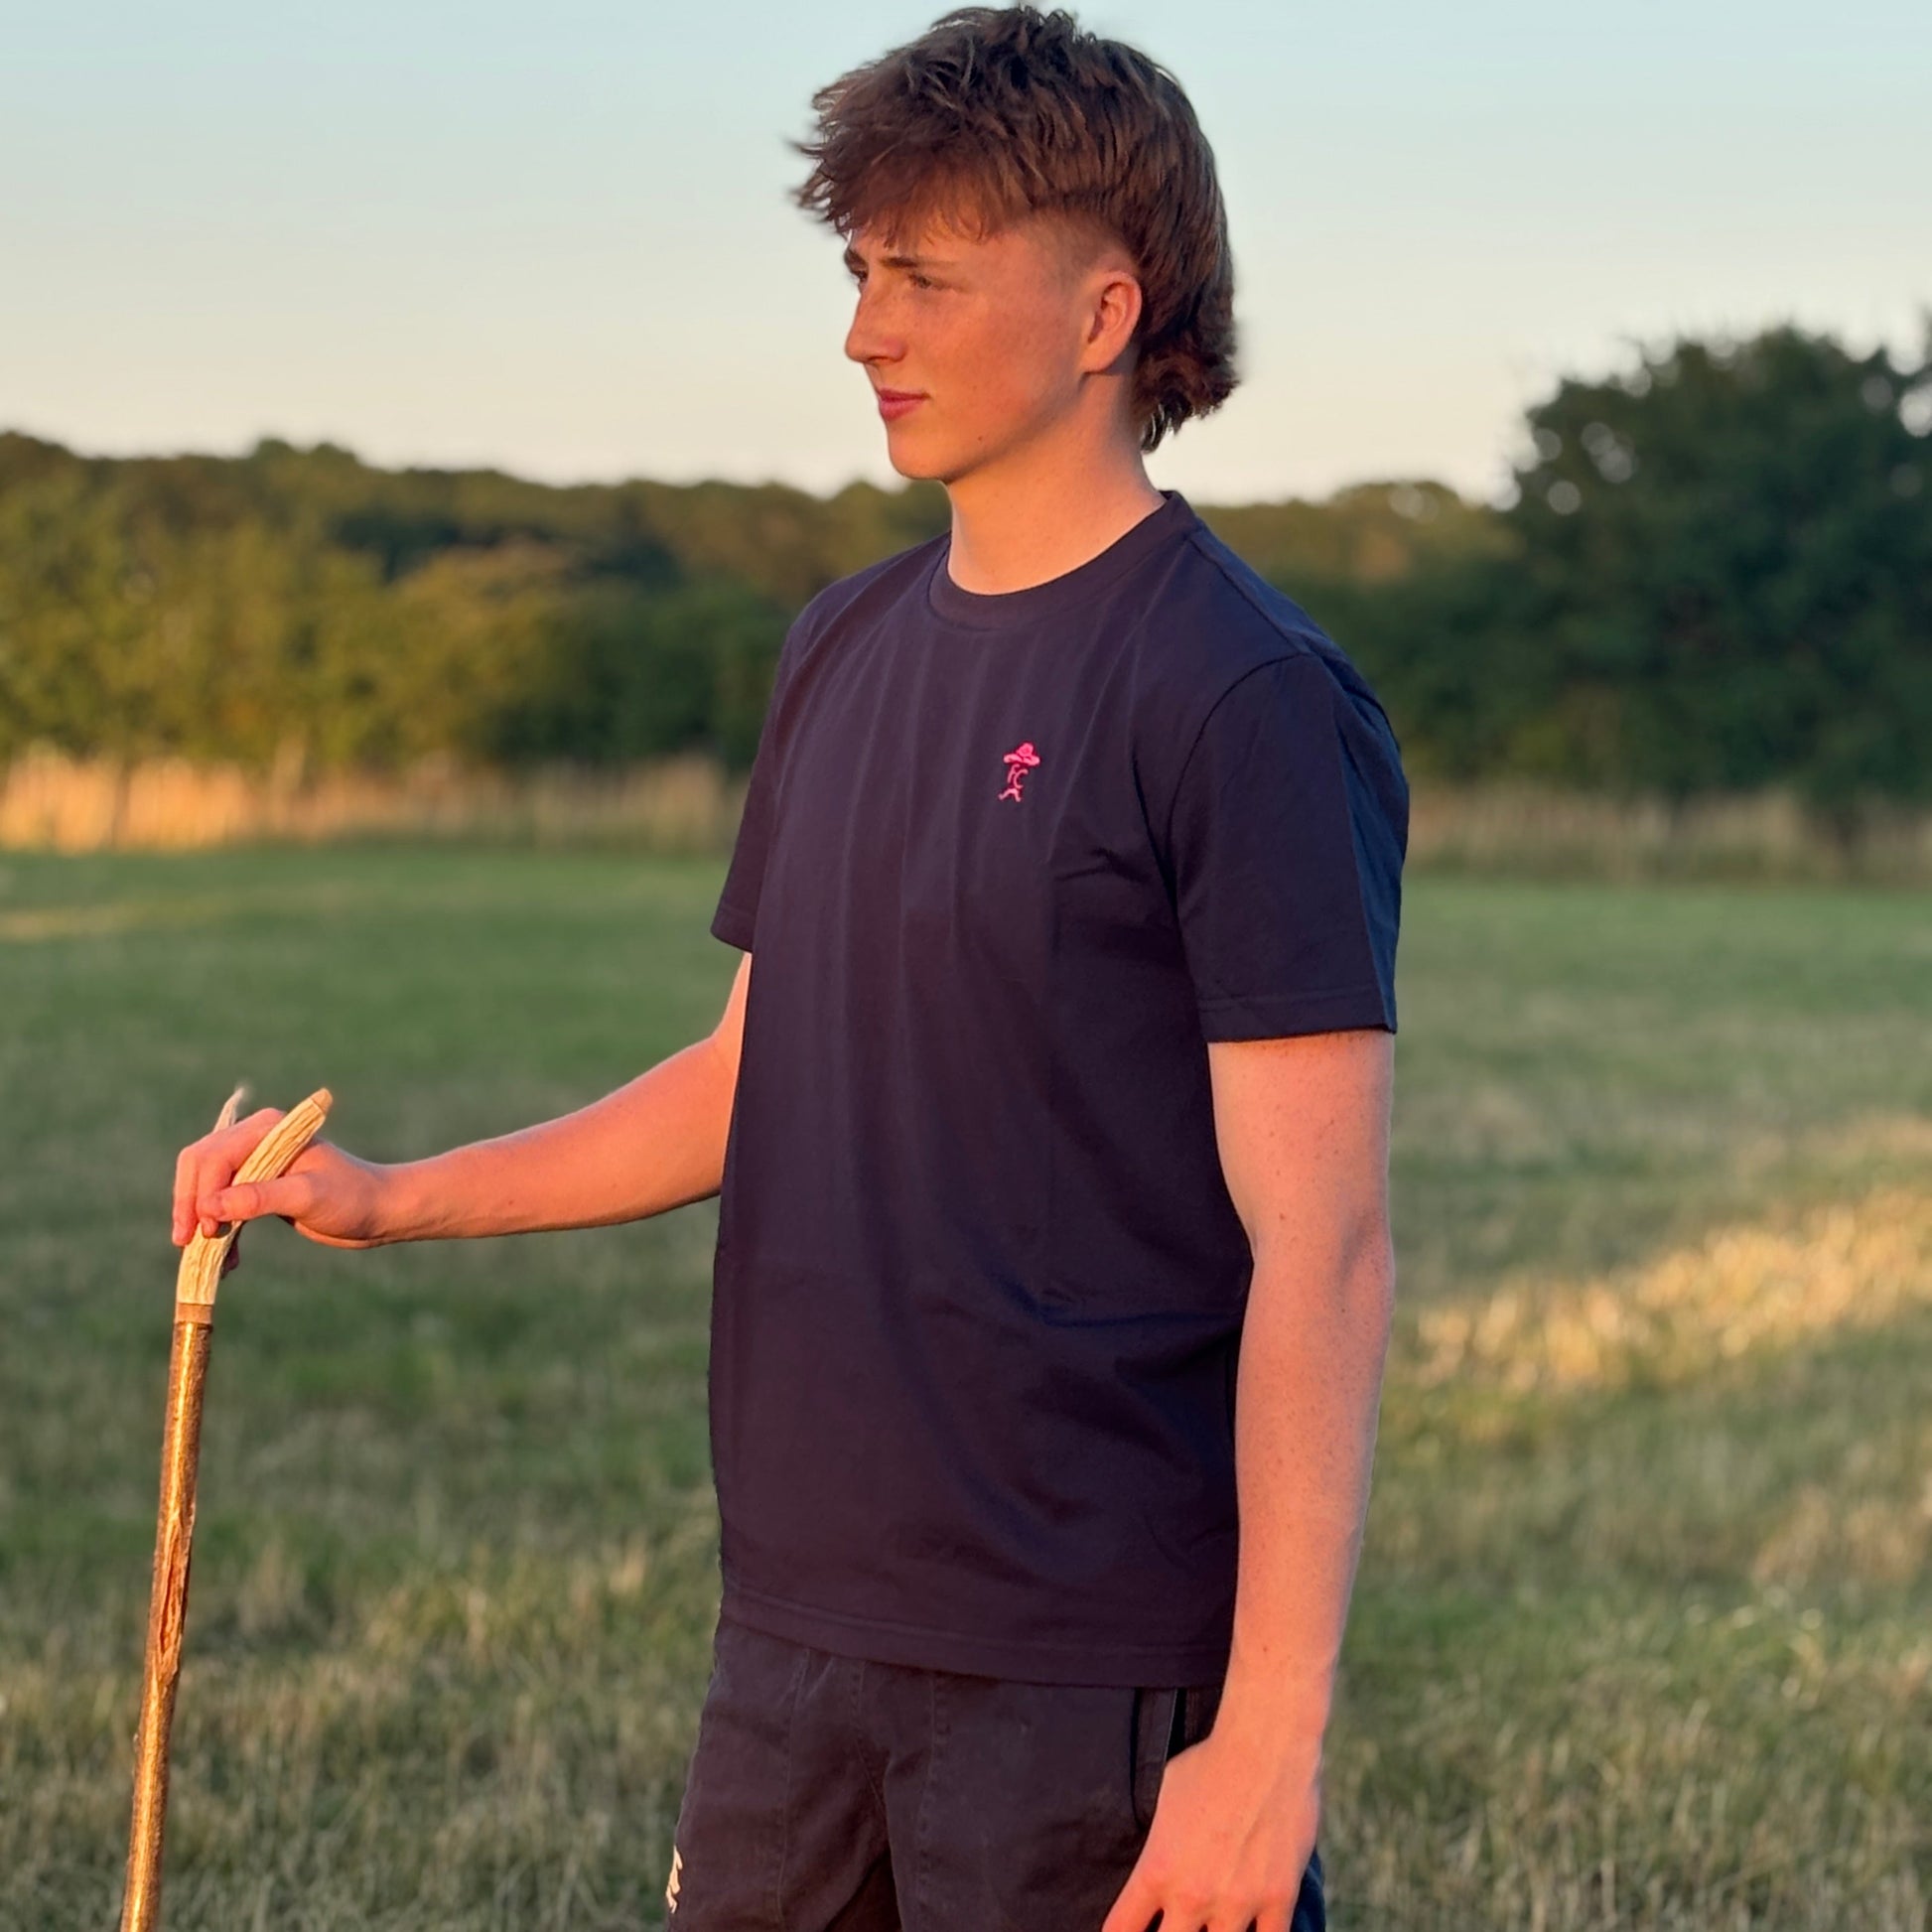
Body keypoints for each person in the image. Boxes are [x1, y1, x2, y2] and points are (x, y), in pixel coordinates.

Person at [174, 7, 1407, 1927]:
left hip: (1086, 1668)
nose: (864, 330)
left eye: (923, 275)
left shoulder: (1238, 693)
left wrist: (1265, 1744)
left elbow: (1321, 1245)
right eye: (857, 271)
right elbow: (760, 1073)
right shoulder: (840, 646)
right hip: (798, 1632)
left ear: (1101, 313)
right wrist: (388, 1199)